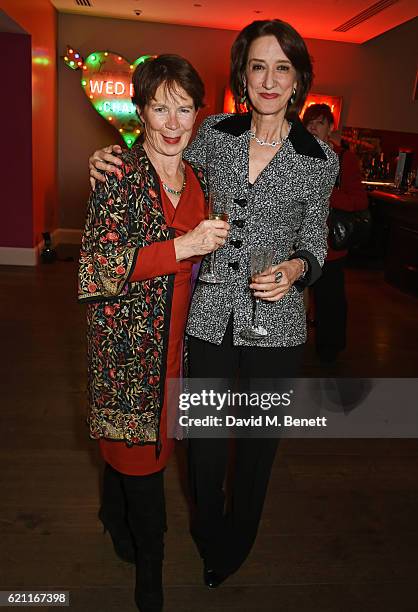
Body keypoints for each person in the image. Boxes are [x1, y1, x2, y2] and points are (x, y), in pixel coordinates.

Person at [88, 19, 338, 589]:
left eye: (282, 68)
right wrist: (109, 158)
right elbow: (158, 154)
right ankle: (204, 530)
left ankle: (231, 546)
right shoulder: (212, 135)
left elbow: (316, 240)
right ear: (242, 77)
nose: (269, 80)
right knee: (202, 450)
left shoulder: (319, 159)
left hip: (276, 328)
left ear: (298, 80)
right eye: (258, 67)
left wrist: (299, 268)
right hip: (207, 316)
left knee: (254, 453)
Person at [78, 54, 228, 612]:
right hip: (129, 351)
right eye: (159, 108)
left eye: (183, 109)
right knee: (143, 461)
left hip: (186, 345)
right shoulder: (117, 172)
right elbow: (95, 271)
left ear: (197, 115)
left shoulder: (202, 174)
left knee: (146, 452)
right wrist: (179, 249)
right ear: (140, 111)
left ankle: (113, 517)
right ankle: (150, 570)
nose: (171, 122)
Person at [302, 103, 369, 364]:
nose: (314, 128)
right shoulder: (297, 157)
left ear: (330, 127)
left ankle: (329, 351)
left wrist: (326, 192)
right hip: (297, 242)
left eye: (320, 123)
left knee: (330, 301)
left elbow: (358, 201)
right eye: (310, 123)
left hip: (330, 246)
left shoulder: (344, 158)